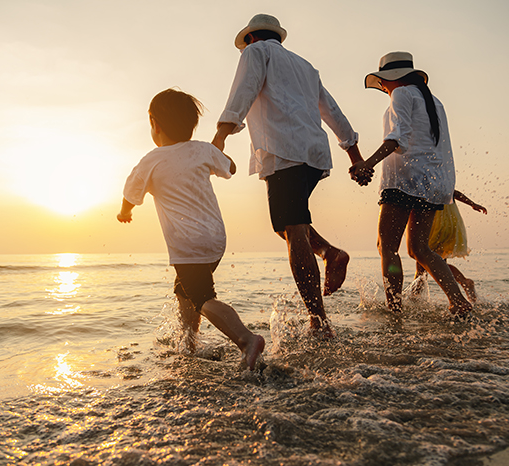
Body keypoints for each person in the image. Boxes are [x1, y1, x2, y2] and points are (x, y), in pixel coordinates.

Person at [212, 14, 370, 338]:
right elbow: (332, 110)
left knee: (293, 229)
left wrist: (220, 136)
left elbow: (243, 91)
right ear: (278, 36)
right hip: (312, 154)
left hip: (284, 151)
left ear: (251, 38)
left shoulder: (255, 53)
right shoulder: (306, 67)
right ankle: (330, 253)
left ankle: (319, 321)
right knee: (284, 224)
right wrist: (354, 155)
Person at [117, 88, 265, 370]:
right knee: (185, 291)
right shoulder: (202, 149)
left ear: (154, 124)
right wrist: (213, 155)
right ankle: (189, 345)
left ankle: (246, 339)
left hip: (188, 244)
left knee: (202, 297)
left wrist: (124, 213)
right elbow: (230, 168)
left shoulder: (151, 161)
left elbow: (130, 194)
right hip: (216, 240)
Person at [349, 51, 472, 317]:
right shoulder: (434, 101)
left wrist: (366, 164)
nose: (383, 86)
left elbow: (396, 140)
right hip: (433, 184)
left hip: (405, 181)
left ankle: (394, 309)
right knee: (419, 249)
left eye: (383, 81)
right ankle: (459, 302)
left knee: (387, 247)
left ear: (393, 78)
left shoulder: (402, 94)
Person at [409, 190, 487, 303]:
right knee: (435, 262)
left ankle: (414, 297)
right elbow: (453, 192)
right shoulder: (442, 180)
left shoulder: (426, 179)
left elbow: (453, 192)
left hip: (435, 223)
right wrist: (472, 204)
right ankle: (464, 282)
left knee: (423, 259)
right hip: (448, 221)